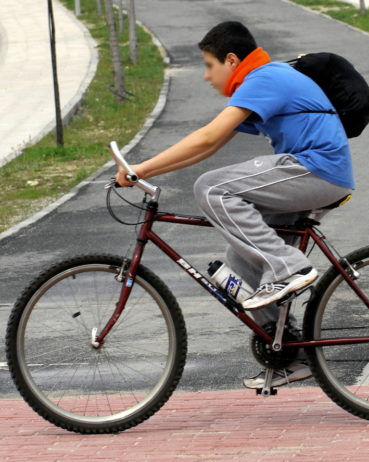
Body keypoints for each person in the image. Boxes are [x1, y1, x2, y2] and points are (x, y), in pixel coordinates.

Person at [115, 21, 355, 389]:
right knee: (240, 270)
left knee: (212, 188)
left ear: (231, 59)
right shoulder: (263, 80)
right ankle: (290, 353)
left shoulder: (265, 77)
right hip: (309, 172)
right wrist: (144, 171)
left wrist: (138, 168)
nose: (206, 76)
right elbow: (210, 146)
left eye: (209, 65)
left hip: (316, 169)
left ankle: (290, 268)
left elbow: (207, 136)